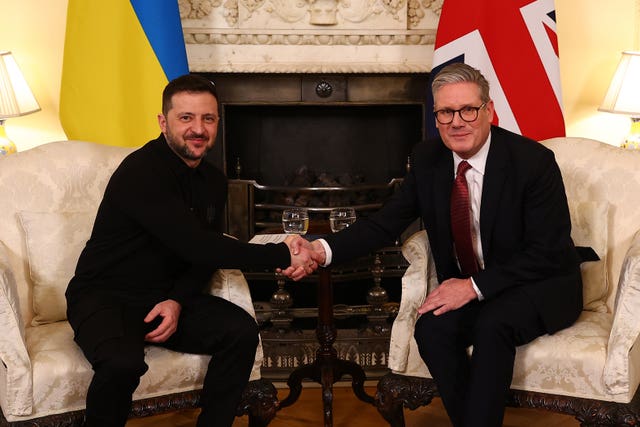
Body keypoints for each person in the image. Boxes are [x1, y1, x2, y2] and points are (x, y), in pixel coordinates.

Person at [286, 63, 583, 427]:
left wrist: (472, 287)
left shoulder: (532, 162)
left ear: (489, 111)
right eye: (445, 112)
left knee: (494, 324)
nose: (457, 121)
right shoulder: (428, 160)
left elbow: (547, 252)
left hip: (540, 283)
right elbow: (384, 223)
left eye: (468, 110)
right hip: (477, 288)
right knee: (431, 329)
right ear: (437, 117)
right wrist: (321, 249)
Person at [65, 74, 320, 427]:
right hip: (105, 296)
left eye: (207, 118)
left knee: (240, 332)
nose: (197, 129)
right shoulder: (141, 172)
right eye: (186, 118)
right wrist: (282, 254)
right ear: (163, 122)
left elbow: (203, 255)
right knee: (121, 363)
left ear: (217, 122)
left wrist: (177, 300)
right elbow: (197, 245)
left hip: (161, 299)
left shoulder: (213, 181)